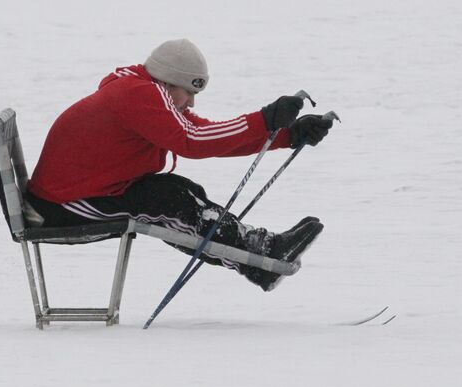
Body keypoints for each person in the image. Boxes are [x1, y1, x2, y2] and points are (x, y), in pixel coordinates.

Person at [26, 38, 334, 291]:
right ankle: (260, 258)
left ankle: (259, 253)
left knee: (180, 192)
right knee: (171, 205)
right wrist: (263, 119)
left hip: (78, 194)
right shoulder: (138, 95)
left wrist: (285, 136)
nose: (191, 102)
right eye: (189, 91)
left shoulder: (143, 91)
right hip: (63, 206)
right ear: (169, 81)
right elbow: (194, 141)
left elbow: (207, 136)